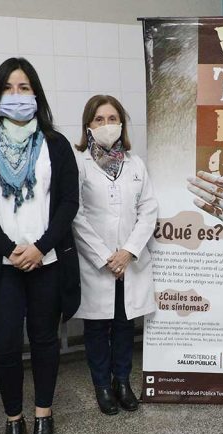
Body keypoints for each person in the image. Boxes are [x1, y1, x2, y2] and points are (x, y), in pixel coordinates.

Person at [0, 58, 80, 434]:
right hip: (1, 265)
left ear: (36, 94)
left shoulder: (56, 144)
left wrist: (41, 247)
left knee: (46, 339)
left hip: (47, 261)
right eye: (8, 88)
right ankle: (14, 419)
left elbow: (68, 203)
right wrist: (8, 248)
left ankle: (44, 413)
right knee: (5, 345)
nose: (16, 95)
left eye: (24, 87)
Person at [72, 95, 158, 415]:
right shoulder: (80, 164)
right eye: (99, 119)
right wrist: (106, 257)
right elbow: (76, 215)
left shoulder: (135, 165)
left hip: (129, 261)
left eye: (112, 119)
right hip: (97, 263)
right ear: (88, 126)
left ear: (121, 124)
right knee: (97, 327)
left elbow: (148, 210)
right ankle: (103, 386)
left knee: (124, 323)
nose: (106, 125)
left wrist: (128, 252)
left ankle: (122, 382)